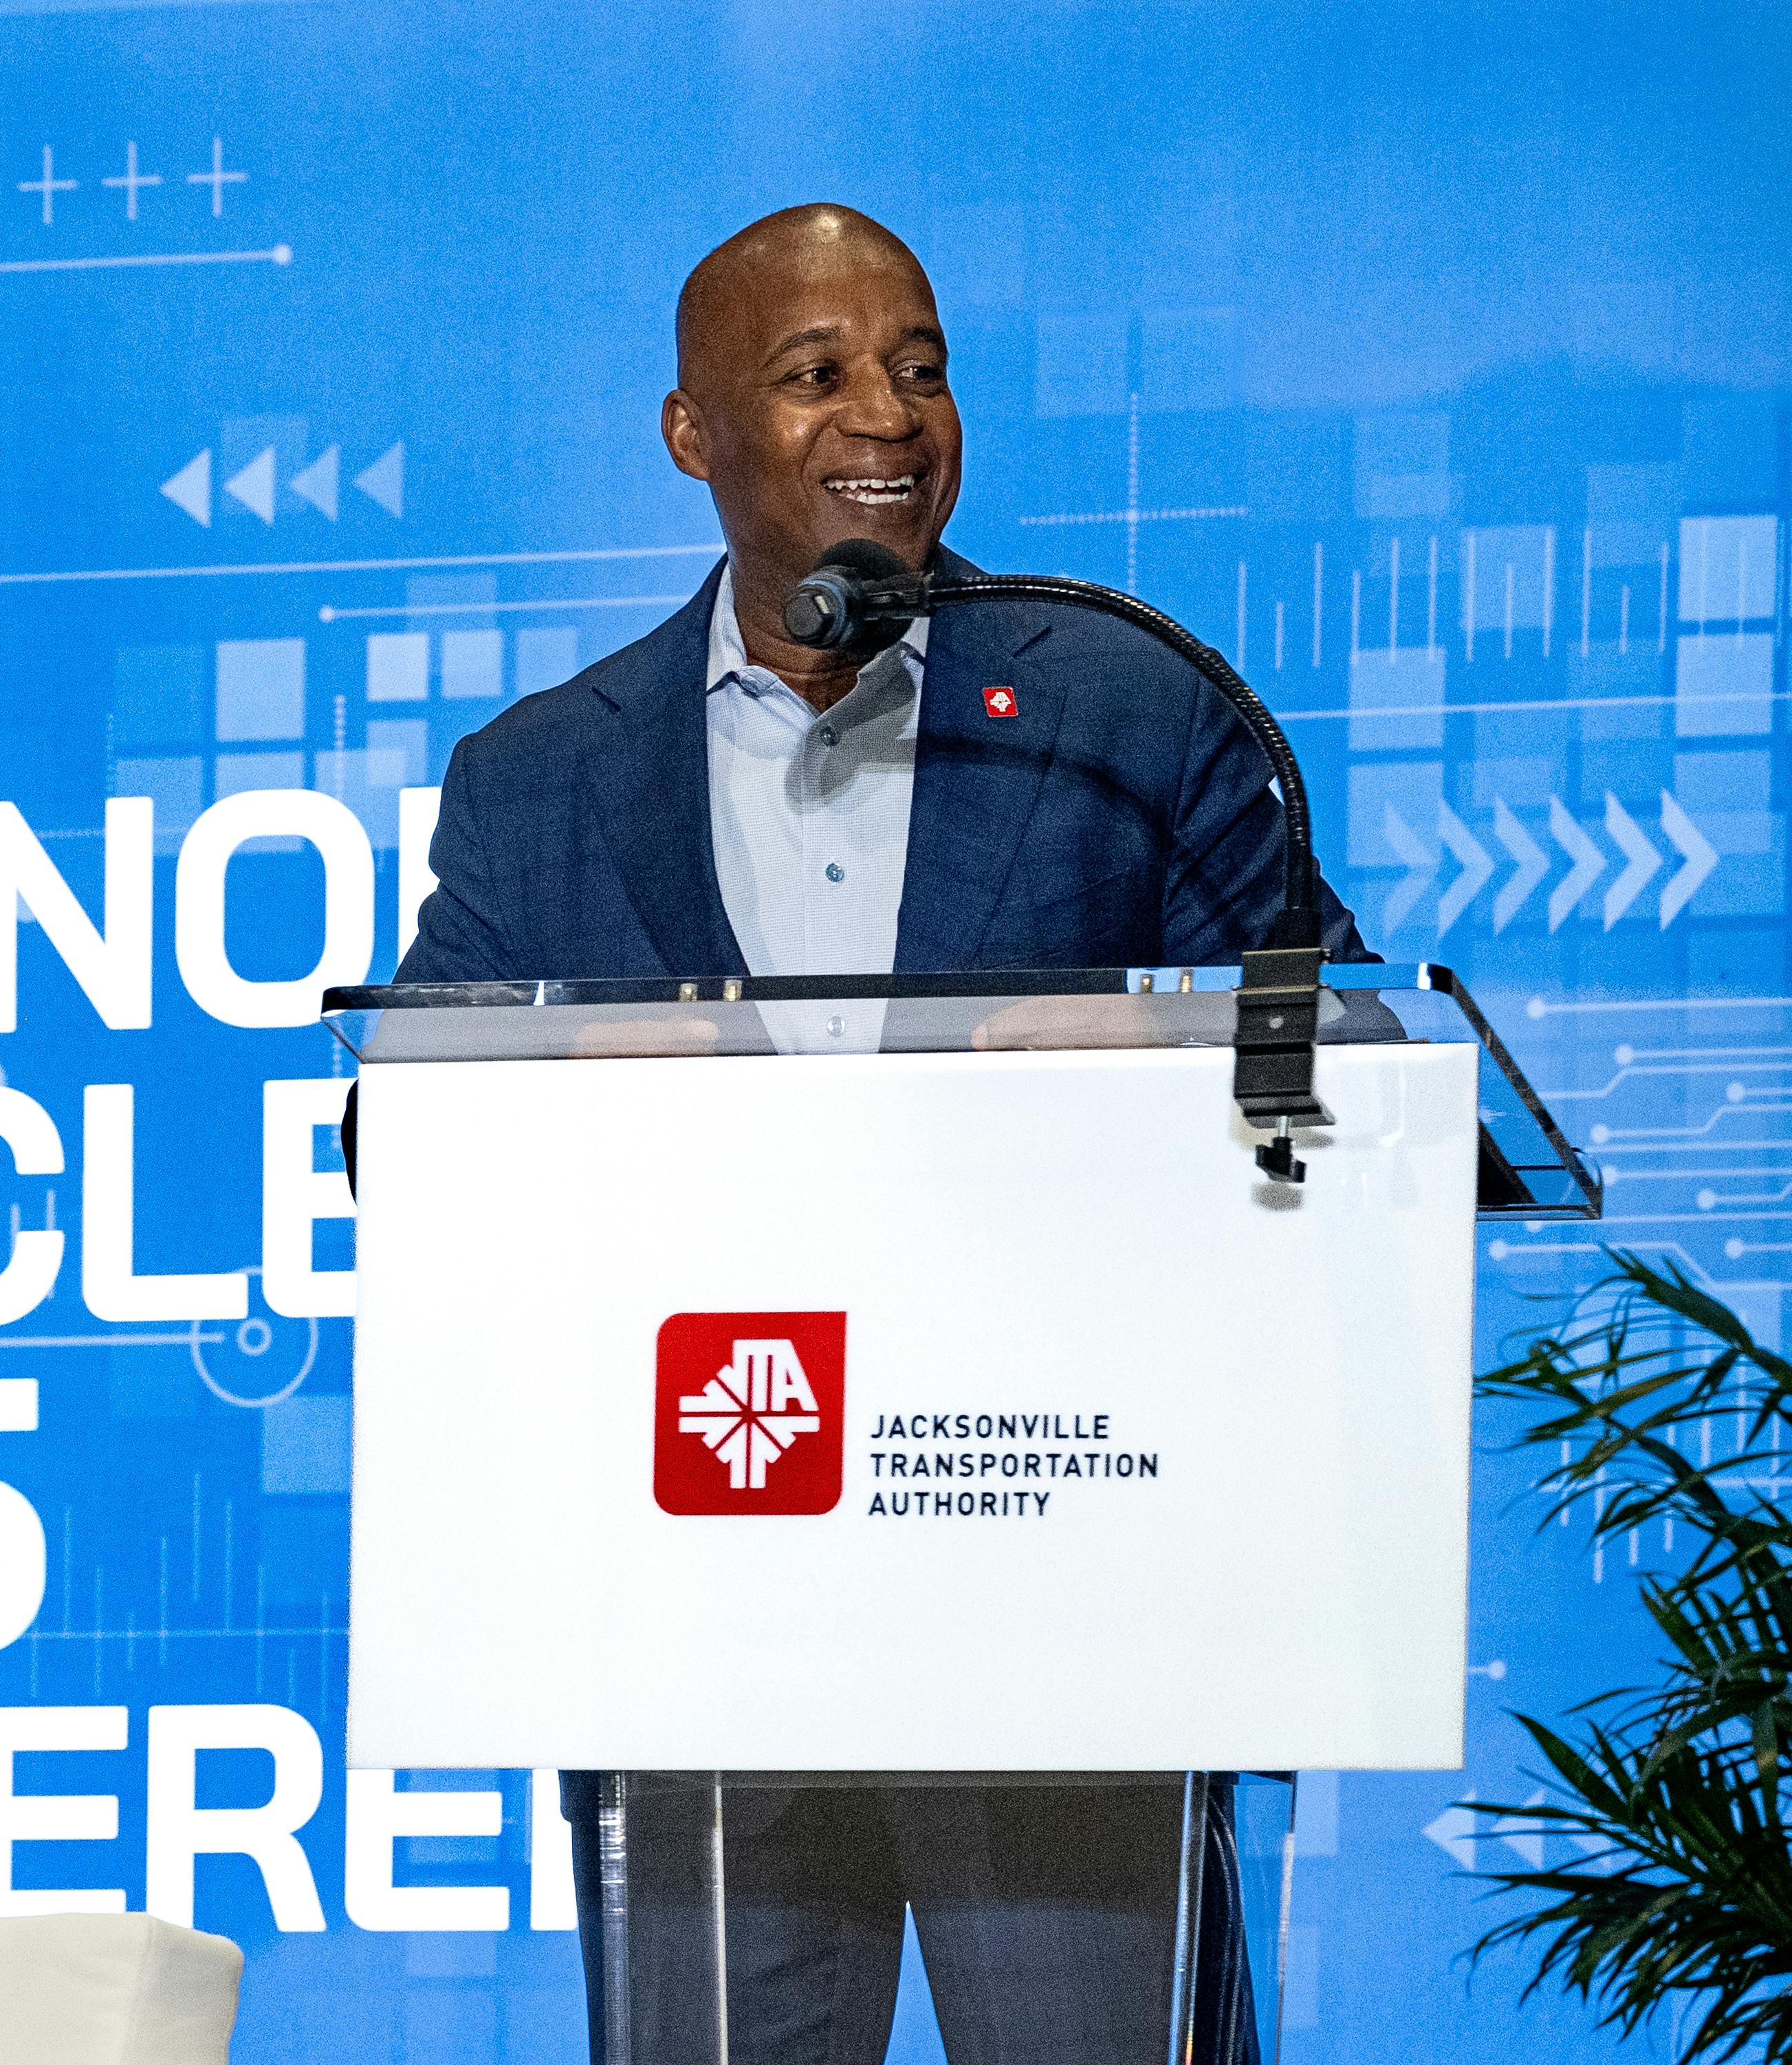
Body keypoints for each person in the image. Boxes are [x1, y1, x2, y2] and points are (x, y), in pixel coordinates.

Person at [395, 204, 1359, 2064]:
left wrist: (1173, 1045)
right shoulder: (537, 781)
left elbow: (1349, 1061)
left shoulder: (1123, 706)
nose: (889, 415)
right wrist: (547, 1093)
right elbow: (406, 1142)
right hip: (695, 1607)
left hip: (1062, 1576)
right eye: (817, 372)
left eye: (920, 369)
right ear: (690, 431)